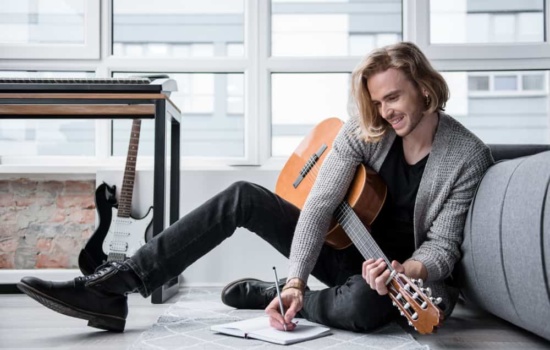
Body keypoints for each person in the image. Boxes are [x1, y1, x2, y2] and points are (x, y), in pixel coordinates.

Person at [17, 42, 494, 333]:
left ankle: (275, 294)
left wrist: (403, 268)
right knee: (244, 194)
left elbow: (444, 246)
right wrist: (297, 279)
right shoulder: (364, 130)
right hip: (341, 252)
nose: (386, 110)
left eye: (394, 96)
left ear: (425, 86)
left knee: (368, 308)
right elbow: (319, 206)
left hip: (396, 279)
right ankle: (118, 284)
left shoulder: (467, 156)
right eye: (378, 101)